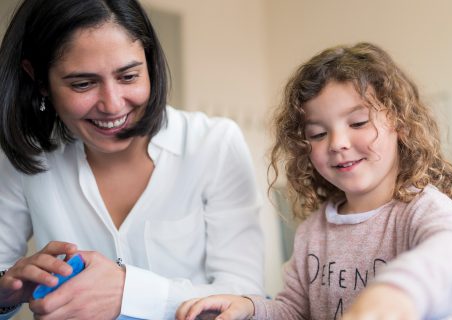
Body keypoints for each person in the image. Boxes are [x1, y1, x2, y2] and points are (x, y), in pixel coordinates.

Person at [176, 42, 452, 320]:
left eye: (358, 123)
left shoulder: (423, 209)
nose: (337, 143)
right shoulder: (314, 231)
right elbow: (293, 311)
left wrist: (396, 295)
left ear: (399, 124)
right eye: (318, 134)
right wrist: (250, 308)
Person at [0, 0, 264, 319]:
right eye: (83, 84)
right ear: (39, 80)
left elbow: (245, 296)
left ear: (149, 63)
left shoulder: (213, 145)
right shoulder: (25, 157)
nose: (112, 105)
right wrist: (5, 293)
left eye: (128, 76)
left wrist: (129, 292)